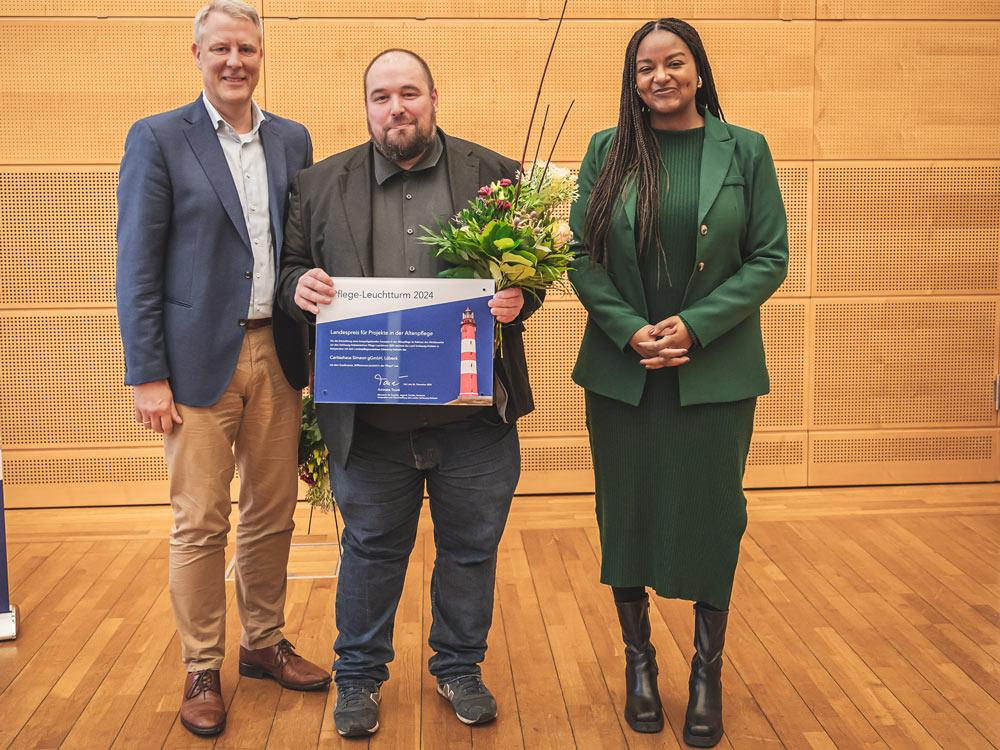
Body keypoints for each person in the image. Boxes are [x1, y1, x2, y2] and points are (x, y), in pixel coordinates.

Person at [277, 49, 539, 738]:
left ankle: (459, 666)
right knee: (369, 550)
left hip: (474, 421)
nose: (397, 107)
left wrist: (520, 298)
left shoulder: (497, 174)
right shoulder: (318, 183)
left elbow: (532, 276)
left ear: (434, 97)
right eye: (382, 96)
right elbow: (292, 268)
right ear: (366, 107)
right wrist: (296, 288)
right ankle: (359, 679)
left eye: (410, 93)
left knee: (471, 550)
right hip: (370, 424)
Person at [568, 18, 788, 748]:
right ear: (631, 80)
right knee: (624, 513)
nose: (659, 77)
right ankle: (638, 663)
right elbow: (580, 255)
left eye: (674, 63)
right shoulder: (608, 149)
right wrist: (629, 326)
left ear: (698, 71)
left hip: (713, 373)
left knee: (713, 516)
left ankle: (705, 673)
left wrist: (695, 325)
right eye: (644, 68)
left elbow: (768, 257)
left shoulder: (745, 149)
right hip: (622, 373)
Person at [115, 0, 331, 737]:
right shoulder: (158, 138)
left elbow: (302, 249)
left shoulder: (292, 138)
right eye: (219, 49)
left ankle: (263, 643)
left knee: (271, 513)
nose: (233, 60)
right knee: (200, 521)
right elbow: (136, 266)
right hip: (194, 361)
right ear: (197, 55)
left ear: (260, 53)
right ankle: (202, 665)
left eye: (246, 47)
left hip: (279, 352)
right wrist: (147, 372)